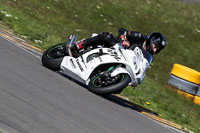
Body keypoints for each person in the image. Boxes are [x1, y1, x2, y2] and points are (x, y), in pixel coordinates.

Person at [66, 28, 167, 86]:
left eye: (158, 49)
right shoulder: (140, 37)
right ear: (151, 41)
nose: (155, 50)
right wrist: (124, 39)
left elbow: (143, 66)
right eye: (155, 46)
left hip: (124, 61)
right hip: (117, 48)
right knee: (107, 36)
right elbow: (122, 30)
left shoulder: (150, 56)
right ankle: (78, 45)